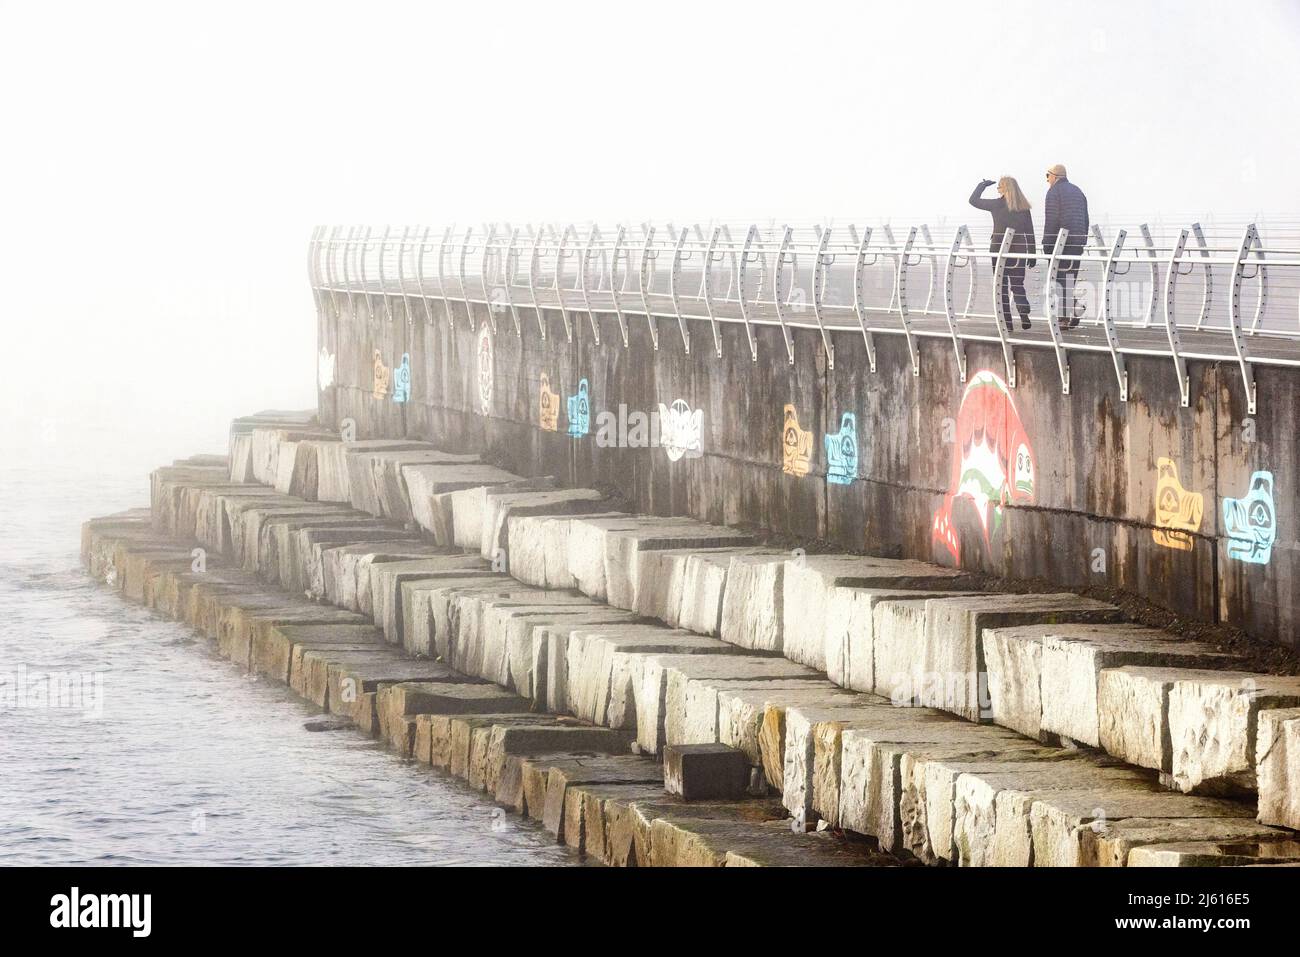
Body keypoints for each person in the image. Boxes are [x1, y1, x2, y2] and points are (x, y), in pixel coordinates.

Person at [969, 177, 1037, 331]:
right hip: (1019, 250)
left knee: (1001, 287)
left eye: (999, 187)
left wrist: (982, 185)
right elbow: (1030, 232)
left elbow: (973, 200)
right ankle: (1023, 311)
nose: (997, 189)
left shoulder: (996, 204)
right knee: (1018, 284)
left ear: (1004, 189)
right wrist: (1032, 254)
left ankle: (1008, 324)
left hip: (998, 249)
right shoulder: (1023, 207)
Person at [1042, 163, 1089, 329]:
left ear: (1054, 176)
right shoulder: (1078, 191)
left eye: (1047, 176)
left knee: (1058, 281)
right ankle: (1075, 310)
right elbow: (1085, 218)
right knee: (1069, 279)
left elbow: (1052, 219)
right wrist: (1082, 240)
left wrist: (1047, 244)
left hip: (1060, 243)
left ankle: (1063, 319)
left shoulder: (1053, 192)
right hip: (1077, 242)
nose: (1047, 180)